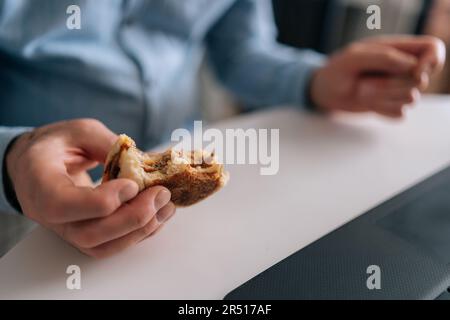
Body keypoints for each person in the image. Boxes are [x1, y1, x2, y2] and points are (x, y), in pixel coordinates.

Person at [0, 0, 445, 258]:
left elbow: (240, 51)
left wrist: (314, 79)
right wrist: (11, 158)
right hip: (18, 203)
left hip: (181, 203)